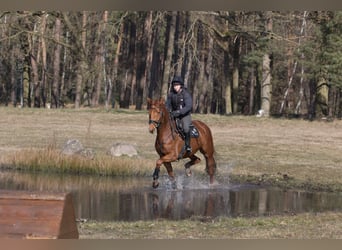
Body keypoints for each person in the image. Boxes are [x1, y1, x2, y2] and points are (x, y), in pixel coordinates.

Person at [166, 75, 193, 153]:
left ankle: (188, 146)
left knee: (186, 128)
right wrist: (168, 111)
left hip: (185, 115)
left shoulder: (186, 94)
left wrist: (179, 112)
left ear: (181, 85)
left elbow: (188, 106)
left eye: (177, 85)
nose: (175, 87)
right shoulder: (171, 95)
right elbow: (167, 104)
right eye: (174, 85)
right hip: (174, 115)